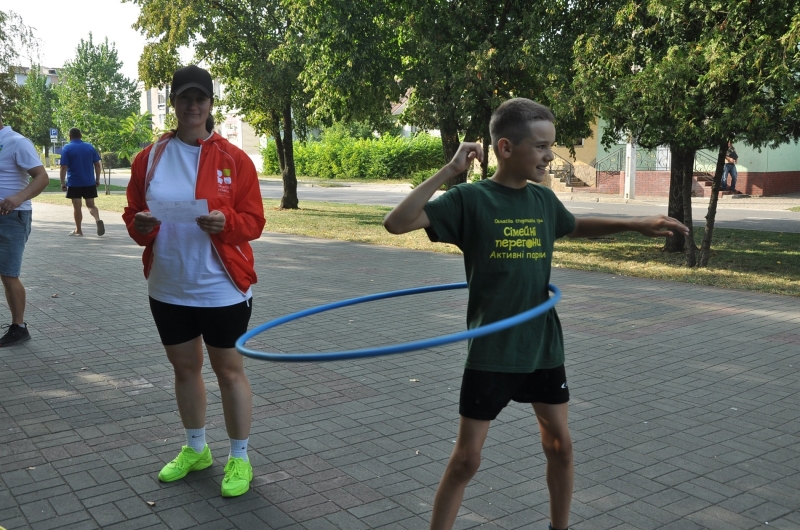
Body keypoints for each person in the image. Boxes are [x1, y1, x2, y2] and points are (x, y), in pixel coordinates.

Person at [383, 98, 689, 530]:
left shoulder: (542, 201)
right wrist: (450, 172)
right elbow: (397, 223)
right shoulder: (471, 200)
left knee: (560, 445)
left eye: (553, 145)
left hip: (542, 345)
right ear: (506, 148)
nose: (550, 155)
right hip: (492, 348)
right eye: (542, 146)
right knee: (467, 460)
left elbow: (574, 224)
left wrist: (636, 224)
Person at [122, 65, 266, 497]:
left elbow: (254, 221)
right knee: (185, 370)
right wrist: (141, 227)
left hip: (221, 286)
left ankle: (239, 457)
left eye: (200, 98)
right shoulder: (149, 158)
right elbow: (132, 215)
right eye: (185, 98)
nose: (192, 105)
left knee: (229, 371)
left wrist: (226, 222)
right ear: (174, 102)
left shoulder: (233, 159)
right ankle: (196, 448)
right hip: (169, 285)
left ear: (209, 105)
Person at [0, 112, 50, 347]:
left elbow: (42, 177)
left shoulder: (17, 142)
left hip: (12, 217)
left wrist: (19, 197)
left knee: (9, 274)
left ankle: (19, 327)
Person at [60, 128, 104, 236]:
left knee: (77, 207)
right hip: (89, 182)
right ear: (81, 136)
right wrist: (97, 179)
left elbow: (63, 167)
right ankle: (97, 219)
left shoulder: (67, 148)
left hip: (75, 183)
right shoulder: (90, 147)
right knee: (91, 205)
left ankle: (78, 230)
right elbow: (97, 165)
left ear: (70, 136)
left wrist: (62, 183)